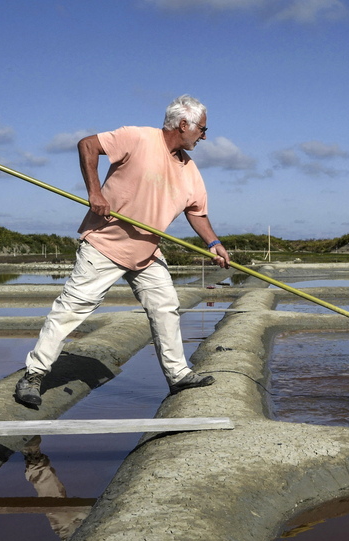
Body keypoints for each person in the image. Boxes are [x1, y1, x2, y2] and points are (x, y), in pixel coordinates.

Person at [14, 94, 230, 408]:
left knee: (166, 307)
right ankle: (33, 375)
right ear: (184, 124)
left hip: (146, 252)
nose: (205, 136)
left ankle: (178, 375)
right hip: (104, 244)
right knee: (70, 310)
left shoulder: (189, 170)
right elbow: (88, 145)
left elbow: (196, 212)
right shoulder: (138, 137)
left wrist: (215, 244)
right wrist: (95, 193)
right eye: (202, 129)